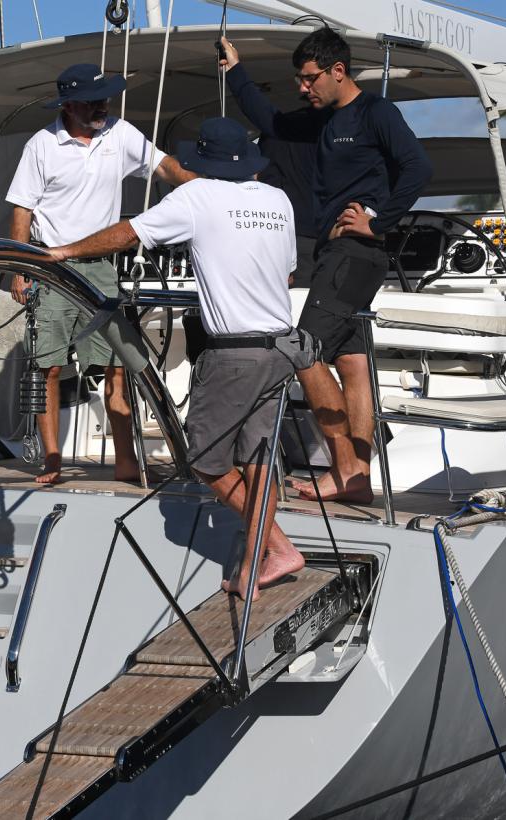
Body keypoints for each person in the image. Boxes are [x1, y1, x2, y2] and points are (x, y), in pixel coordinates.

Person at [43, 117, 314, 599]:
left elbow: (129, 234)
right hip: (282, 346)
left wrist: (64, 251)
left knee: (205, 462)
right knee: (258, 458)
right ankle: (258, 560)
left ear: (205, 163)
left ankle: (277, 546)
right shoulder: (278, 199)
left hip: (235, 354)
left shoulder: (198, 197)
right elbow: (288, 275)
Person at [221, 28, 432, 502]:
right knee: (352, 361)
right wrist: (235, 71)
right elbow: (271, 122)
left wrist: (377, 224)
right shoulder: (323, 120)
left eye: (309, 78)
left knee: (303, 350)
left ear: (338, 71)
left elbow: (418, 166)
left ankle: (346, 470)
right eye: (300, 79)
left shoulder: (376, 113)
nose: (303, 87)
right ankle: (358, 479)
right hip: (337, 255)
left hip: (356, 254)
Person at [6, 63, 194, 484]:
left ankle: (126, 459)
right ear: (69, 105)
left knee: (117, 365)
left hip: (102, 269)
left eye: (106, 98)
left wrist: (207, 183)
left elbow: (166, 168)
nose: (103, 106)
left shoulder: (120, 133)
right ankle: (52, 458)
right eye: (94, 100)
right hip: (51, 268)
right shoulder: (41, 145)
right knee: (48, 367)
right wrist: (21, 270)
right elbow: (22, 209)